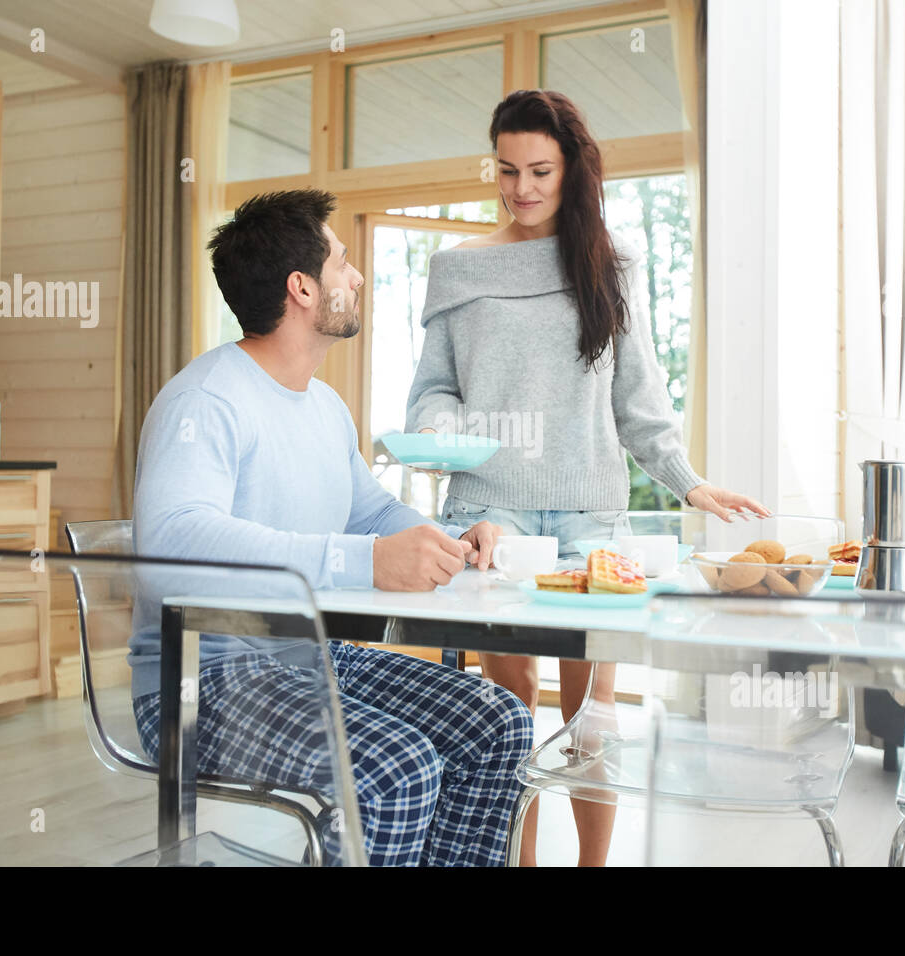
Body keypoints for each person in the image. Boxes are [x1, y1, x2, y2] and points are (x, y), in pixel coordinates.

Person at [406, 89, 769, 866]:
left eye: (540, 170)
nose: (522, 188)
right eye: (507, 171)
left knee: (592, 724)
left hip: (591, 519)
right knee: (505, 721)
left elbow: (635, 396)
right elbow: (433, 388)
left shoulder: (610, 263)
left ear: (572, 168)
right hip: (489, 513)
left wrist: (687, 481)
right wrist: (439, 430)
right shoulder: (457, 270)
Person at [128, 188, 533, 866]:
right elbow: (171, 544)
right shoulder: (205, 401)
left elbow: (368, 513)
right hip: (206, 681)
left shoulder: (324, 406)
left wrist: (449, 538)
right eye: (342, 261)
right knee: (398, 770)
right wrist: (361, 561)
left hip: (313, 655)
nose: (357, 276)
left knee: (498, 724)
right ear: (302, 288)